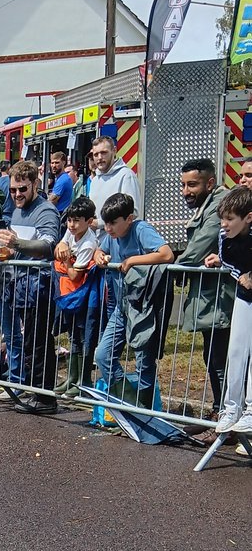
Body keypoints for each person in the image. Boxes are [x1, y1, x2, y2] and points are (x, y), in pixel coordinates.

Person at [92, 192, 175, 409]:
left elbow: (166, 254)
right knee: (103, 355)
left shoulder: (141, 229)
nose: (108, 229)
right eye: (106, 223)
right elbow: (101, 249)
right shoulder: (111, 236)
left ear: (129, 219)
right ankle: (129, 403)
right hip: (122, 307)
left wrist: (133, 260)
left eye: (113, 223)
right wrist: (98, 255)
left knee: (144, 362)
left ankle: (144, 411)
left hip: (142, 306)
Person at [0, 159, 63, 413]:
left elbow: (47, 246)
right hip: (20, 285)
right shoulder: (16, 210)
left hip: (40, 285)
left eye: (22, 189)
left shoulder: (46, 211)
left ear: (35, 184)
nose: (17, 194)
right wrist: (6, 254)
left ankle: (45, 398)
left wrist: (16, 244)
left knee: (39, 342)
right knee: (28, 342)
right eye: (13, 190)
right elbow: (17, 248)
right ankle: (34, 391)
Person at [177, 158, 233, 417]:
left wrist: (174, 265)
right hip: (212, 295)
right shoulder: (209, 204)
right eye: (184, 185)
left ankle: (225, 416)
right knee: (212, 358)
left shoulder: (220, 204)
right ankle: (218, 412)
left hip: (224, 296)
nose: (186, 191)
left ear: (210, 183)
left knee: (221, 360)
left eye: (192, 185)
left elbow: (202, 243)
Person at [204, 186, 252, 434]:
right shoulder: (224, 238)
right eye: (222, 218)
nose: (224, 224)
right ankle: (231, 408)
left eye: (230, 219)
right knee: (235, 352)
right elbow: (231, 264)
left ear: (248, 218)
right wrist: (243, 276)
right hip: (245, 297)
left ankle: (251, 411)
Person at [52, 196, 100, 396]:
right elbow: (58, 248)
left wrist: (67, 261)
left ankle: (83, 381)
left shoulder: (88, 243)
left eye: (77, 221)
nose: (71, 225)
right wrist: (62, 249)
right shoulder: (70, 232)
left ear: (89, 222)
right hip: (70, 294)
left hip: (84, 294)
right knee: (73, 336)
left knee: (83, 336)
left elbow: (74, 274)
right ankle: (72, 379)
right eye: (69, 220)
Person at [88, 136, 142, 213]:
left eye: (103, 153)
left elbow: (132, 212)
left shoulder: (126, 176)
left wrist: (99, 223)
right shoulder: (95, 181)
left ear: (114, 151)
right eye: (96, 154)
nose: (99, 158)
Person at [47, 150, 74, 215]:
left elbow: (51, 201)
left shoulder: (63, 179)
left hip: (60, 215)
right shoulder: (59, 178)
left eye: (57, 163)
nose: (53, 166)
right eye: (52, 163)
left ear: (63, 163)